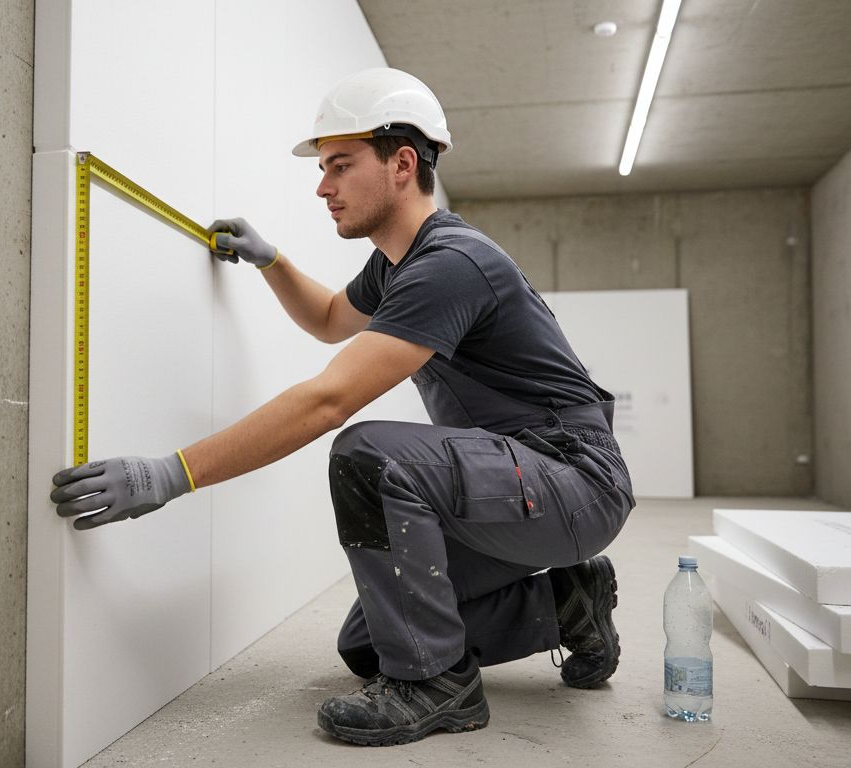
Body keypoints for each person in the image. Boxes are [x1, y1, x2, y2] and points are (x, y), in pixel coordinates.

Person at [49, 67, 635, 747]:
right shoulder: (396, 266)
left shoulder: (451, 263)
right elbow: (331, 317)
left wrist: (169, 475)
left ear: (402, 164)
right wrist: (271, 262)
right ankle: (569, 605)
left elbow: (328, 401)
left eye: (340, 165)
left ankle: (438, 688)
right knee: (372, 644)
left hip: (573, 480)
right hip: (517, 486)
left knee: (370, 453)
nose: (322, 185)